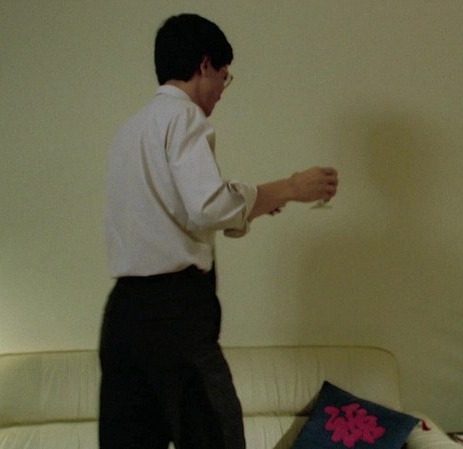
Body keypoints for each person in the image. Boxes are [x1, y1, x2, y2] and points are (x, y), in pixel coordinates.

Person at [99, 13, 338, 449]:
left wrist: (256, 204)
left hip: (124, 315)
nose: (221, 92)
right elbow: (208, 206)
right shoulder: (185, 117)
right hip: (176, 313)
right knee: (215, 437)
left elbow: (177, 212)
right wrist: (289, 187)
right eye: (224, 77)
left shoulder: (130, 130)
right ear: (205, 64)